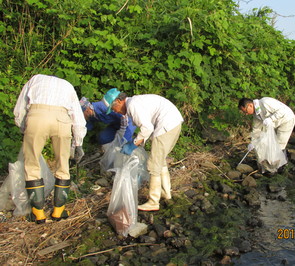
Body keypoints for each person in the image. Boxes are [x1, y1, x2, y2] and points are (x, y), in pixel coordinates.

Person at [13, 74, 87, 223]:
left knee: (31, 165)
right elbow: (77, 117)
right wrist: (78, 143)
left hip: (37, 116)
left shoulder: (34, 79)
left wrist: (25, 129)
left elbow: (19, 110)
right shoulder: (67, 85)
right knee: (63, 165)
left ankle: (38, 213)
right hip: (62, 119)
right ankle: (58, 212)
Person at [102, 89, 184, 211]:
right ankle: (166, 193)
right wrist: (138, 142)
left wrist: (133, 144)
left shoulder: (133, 106)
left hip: (166, 125)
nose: (116, 112)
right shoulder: (135, 102)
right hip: (174, 123)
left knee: (153, 165)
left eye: (114, 108)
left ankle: (153, 201)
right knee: (159, 160)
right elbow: (147, 128)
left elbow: (147, 128)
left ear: (119, 101)